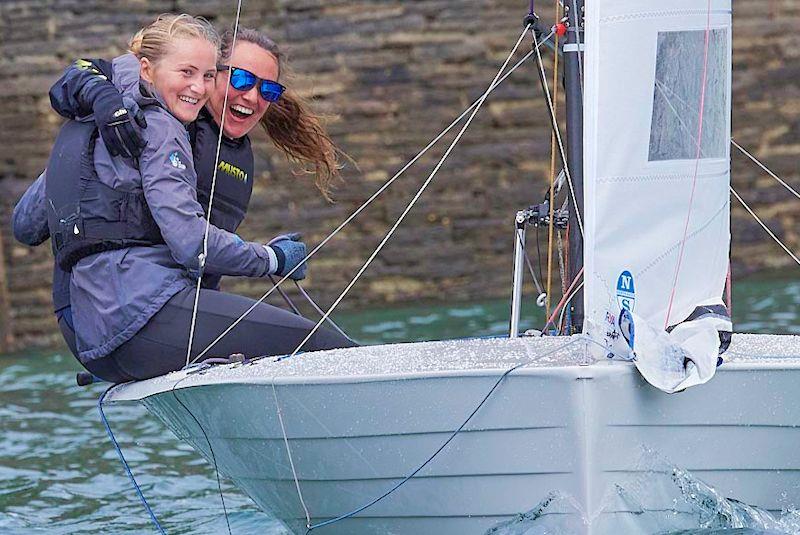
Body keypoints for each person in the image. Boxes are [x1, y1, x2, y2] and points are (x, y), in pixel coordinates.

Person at [13, 14, 354, 384]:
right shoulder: (161, 126)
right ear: (152, 69)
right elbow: (192, 243)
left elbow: (26, 223)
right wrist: (272, 258)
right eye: (238, 78)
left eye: (268, 90)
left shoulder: (111, 121)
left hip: (89, 332)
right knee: (330, 349)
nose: (252, 96)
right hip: (138, 318)